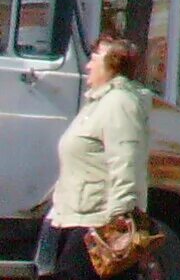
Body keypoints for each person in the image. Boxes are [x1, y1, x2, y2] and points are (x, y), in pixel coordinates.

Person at [37, 35, 150, 280]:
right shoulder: (98, 103)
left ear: (113, 64)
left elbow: (126, 164)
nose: (88, 65)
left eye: (95, 58)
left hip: (97, 226)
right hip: (75, 219)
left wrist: (118, 227)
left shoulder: (119, 103)